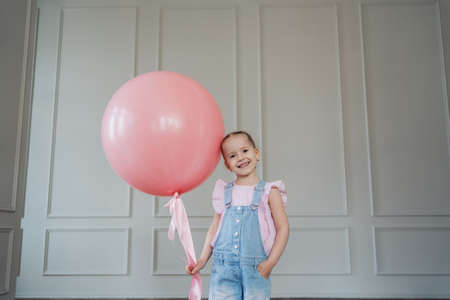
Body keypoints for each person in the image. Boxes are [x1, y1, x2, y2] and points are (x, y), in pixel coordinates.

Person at [185, 130, 289, 299]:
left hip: (256, 268)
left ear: (256, 154)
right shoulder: (223, 191)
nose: (240, 157)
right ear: (227, 164)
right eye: (232, 155)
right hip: (223, 267)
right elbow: (214, 230)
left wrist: (270, 263)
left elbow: (283, 228)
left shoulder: (270, 191)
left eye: (245, 151)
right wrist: (202, 259)